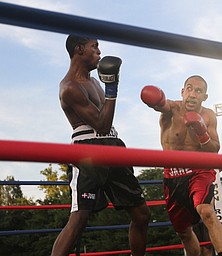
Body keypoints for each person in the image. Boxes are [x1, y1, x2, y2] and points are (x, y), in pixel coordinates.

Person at [51, 35, 150, 256]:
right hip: (87, 150)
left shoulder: (95, 82)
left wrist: (108, 87)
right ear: (79, 49)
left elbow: (107, 125)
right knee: (79, 218)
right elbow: (102, 124)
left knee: (142, 214)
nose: (99, 51)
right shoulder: (69, 87)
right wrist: (113, 87)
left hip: (113, 147)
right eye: (94, 47)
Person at [140, 75, 222, 256]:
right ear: (182, 92)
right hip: (172, 176)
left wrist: (202, 133)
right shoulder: (171, 110)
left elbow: (214, 149)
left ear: (205, 97)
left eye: (198, 91)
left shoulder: (208, 115)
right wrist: (155, 100)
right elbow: (160, 103)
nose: (192, 94)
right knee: (183, 232)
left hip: (199, 171)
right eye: (189, 88)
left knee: (206, 211)